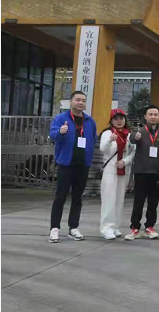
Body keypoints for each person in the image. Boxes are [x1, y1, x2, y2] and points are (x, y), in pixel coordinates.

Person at [48, 91, 97, 243]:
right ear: (71, 101)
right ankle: (54, 228)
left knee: (77, 198)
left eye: (83, 100)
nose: (80, 103)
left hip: (83, 165)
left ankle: (73, 228)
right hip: (66, 164)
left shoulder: (90, 121)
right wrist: (60, 132)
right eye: (77, 100)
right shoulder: (61, 118)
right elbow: (52, 135)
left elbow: (93, 139)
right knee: (60, 197)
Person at [124, 105, 159, 241]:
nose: (153, 117)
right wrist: (135, 137)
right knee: (138, 202)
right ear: (145, 116)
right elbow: (132, 139)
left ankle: (150, 227)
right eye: (150, 114)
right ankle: (135, 228)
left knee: (153, 202)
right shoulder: (139, 132)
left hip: (156, 173)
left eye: (155, 114)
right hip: (141, 172)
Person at [99, 109, 136, 240]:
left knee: (119, 200)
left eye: (121, 118)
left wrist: (125, 161)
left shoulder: (129, 135)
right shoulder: (108, 133)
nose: (119, 121)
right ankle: (106, 228)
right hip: (110, 170)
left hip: (124, 170)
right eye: (116, 119)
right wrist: (109, 140)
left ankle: (115, 226)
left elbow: (133, 152)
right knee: (109, 199)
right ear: (111, 121)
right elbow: (103, 149)